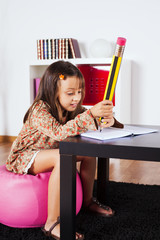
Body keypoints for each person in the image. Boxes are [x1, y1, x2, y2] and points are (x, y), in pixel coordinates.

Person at [6, 60, 123, 240]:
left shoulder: (72, 108)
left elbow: (88, 118)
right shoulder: (39, 109)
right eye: (70, 93)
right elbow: (59, 132)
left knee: (87, 151)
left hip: (47, 153)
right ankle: (52, 222)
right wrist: (91, 115)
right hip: (26, 155)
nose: (76, 97)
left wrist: (109, 120)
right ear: (53, 91)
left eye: (79, 92)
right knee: (63, 157)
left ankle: (87, 201)